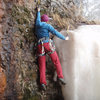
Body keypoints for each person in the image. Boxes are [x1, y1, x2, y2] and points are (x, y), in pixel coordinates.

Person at [35, 7, 69, 91]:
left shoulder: (37, 25)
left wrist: (38, 12)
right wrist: (65, 38)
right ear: (46, 21)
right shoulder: (47, 26)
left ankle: (43, 83)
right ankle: (60, 77)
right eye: (48, 20)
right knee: (56, 61)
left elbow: (38, 20)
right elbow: (56, 33)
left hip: (40, 46)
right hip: (47, 44)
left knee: (42, 65)